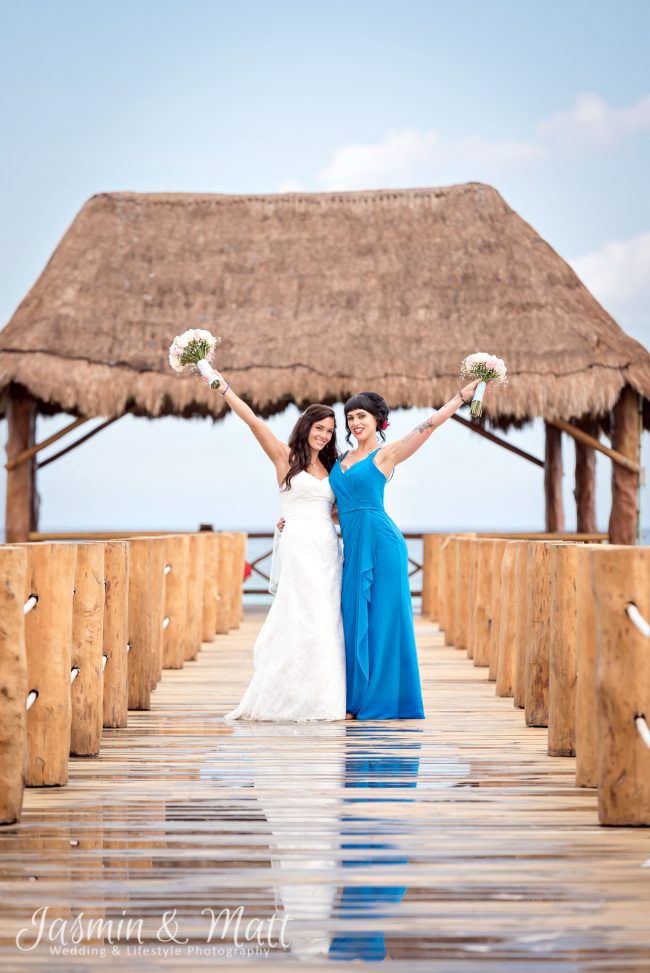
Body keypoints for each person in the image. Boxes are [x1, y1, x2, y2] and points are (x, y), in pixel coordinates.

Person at [197, 363, 346, 721]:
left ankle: (325, 697)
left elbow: (339, 512)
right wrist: (221, 386)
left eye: (329, 430)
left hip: (326, 546)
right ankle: (288, 693)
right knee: (300, 615)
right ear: (306, 426)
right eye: (319, 428)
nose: (324, 435)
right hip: (297, 546)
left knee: (327, 619)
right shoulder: (285, 457)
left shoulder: (334, 467)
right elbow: (253, 421)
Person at [329, 381, 481, 721]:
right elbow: (339, 509)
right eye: (351, 416)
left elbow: (426, 427)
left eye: (362, 416)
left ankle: (382, 702)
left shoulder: (385, 454)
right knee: (354, 619)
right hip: (354, 549)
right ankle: (356, 698)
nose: (356, 422)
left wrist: (459, 398)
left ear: (377, 420)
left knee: (383, 622)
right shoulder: (340, 459)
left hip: (383, 547)